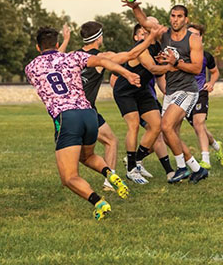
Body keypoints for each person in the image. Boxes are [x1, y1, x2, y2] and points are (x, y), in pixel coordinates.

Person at [25, 27, 143, 221]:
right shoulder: (73, 57)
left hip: (67, 118)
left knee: (69, 177)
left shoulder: (31, 67)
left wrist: (63, 42)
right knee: (87, 156)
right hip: (89, 114)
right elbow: (104, 61)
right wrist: (127, 74)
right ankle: (110, 174)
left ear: (38, 47)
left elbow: (51, 62)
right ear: (56, 44)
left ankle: (99, 202)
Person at [58, 21, 161, 191]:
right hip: (86, 111)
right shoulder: (101, 57)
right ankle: (108, 182)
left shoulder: (71, 56)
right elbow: (130, 55)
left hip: (67, 112)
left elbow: (53, 59)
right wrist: (150, 37)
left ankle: (101, 181)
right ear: (99, 38)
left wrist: (66, 40)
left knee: (90, 148)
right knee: (109, 142)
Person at [125, 2, 209, 183]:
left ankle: (181, 168)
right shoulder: (164, 35)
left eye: (179, 16)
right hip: (171, 91)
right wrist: (134, 6)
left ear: (186, 19)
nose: (175, 19)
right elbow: (144, 21)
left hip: (187, 90)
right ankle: (197, 168)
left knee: (166, 127)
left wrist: (175, 63)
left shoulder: (193, 39)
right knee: (172, 135)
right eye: (173, 16)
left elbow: (196, 68)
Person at [112, 23, 177, 184]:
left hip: (142, 91)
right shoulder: (142, 47)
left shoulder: (160, 46)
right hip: (125, 91)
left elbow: (160, 75)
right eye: (151, 25)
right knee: (133, 125)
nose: (158, 27)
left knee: (157, 126)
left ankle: (135, 160)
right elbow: (153, 69)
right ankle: (131, 170)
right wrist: (173, 66)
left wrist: (169, 92)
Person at [185, 24, 223, 169]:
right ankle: (215, 145)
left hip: (201, 92)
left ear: (201, 38)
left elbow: (215, 72)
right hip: (184, 94)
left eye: (196, 35)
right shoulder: (180, 54)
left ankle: (205, 160)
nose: (192, 37)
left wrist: (211, 83)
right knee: (199, 127)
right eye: (189, 34)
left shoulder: (206, 55)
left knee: (198, 123)